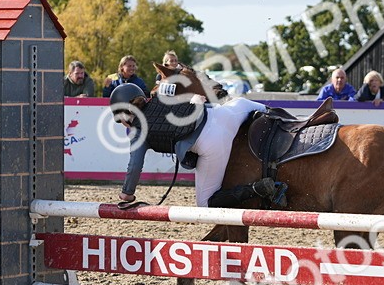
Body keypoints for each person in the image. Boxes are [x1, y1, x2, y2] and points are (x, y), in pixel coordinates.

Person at [110, 83, 267, 207]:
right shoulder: (160, 97)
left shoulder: (138, 132)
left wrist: (127, 193)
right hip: (224, 114)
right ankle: (281, 117)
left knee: (204, 204)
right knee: (242, 102)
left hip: (212, 142)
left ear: (122, 116)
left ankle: (255, 189)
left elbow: (134, 166)